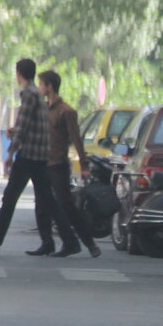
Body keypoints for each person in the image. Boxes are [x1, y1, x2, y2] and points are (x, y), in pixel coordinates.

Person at [0, 58, 79, 257]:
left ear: (18, 74)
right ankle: (69, 241)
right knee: (48, 200)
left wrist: (11, 153)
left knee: (10, 198)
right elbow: (30, 125)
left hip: (28, 156)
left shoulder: (29, 94)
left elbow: (24, 125)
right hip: (40, 156)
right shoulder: (37, 94)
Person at [29, 69, 100, 257]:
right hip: (41, 163)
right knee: (41, 205)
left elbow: (76, 139)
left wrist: (84, 165)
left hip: (57, 165)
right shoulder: (41, 109)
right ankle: (47, 243)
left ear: (49, 86)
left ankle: (88, 243)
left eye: (41, 84)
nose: (39, 87)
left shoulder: (66, 112)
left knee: (65, 205)